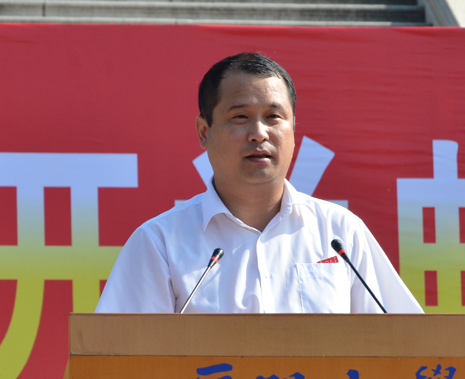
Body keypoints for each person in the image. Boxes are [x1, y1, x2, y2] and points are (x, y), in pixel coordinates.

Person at [96, 53, 423, 314]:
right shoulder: (160, 244)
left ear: (293, 130)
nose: (259, 133)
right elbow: (117, 358)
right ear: (204, 132)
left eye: (273, 117)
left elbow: (405, 344)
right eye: (240, 117)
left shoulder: (341, 233)